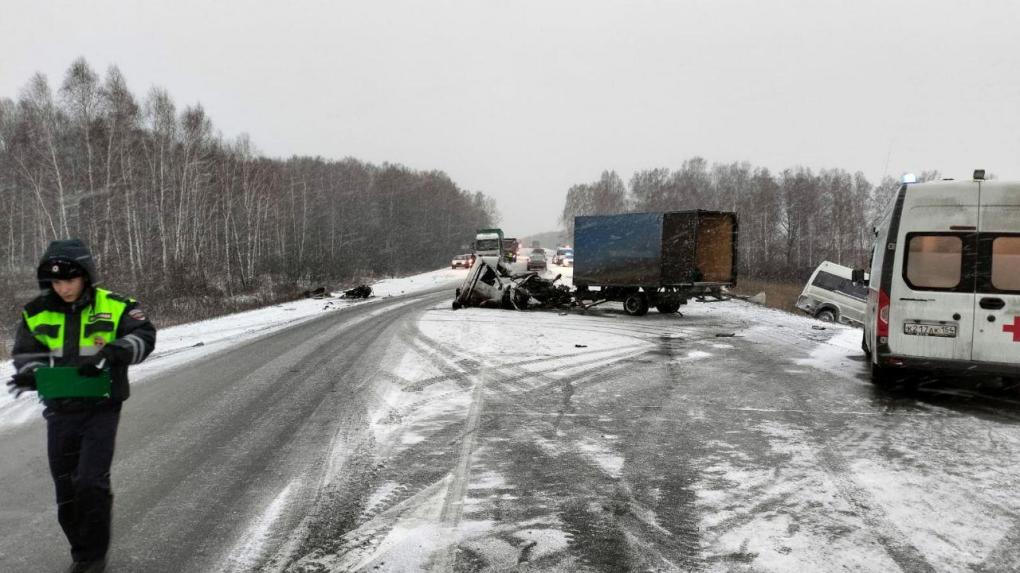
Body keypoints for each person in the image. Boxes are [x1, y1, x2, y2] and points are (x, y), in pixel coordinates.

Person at [7, 239, 156, 573]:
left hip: (101, 408)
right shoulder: (36, 311)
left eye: (70, 280)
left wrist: (112, 353)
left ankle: (93, 557)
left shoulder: (116, 306)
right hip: (60, 411)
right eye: (56, 282)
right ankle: (81, 551)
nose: (64, 288)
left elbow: (144, 336)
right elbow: (26, 352)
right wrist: (31, 375)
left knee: (90, 481)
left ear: (86, 276)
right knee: (66, 488)